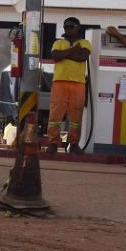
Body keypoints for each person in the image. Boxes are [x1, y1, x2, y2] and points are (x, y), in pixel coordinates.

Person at [46, 17, 91, 154]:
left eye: (71, 27)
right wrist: (73, 50)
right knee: (55, 113)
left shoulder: (85, 43)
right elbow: (55, 57)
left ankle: (74, 143)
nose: (68, 29)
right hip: (59, 81)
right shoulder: (58, 42)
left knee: (76, 115)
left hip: (78, 83)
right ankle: (53, 142)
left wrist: (64, 54)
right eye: (66, 27)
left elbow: (82, 57)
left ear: (78, 28)